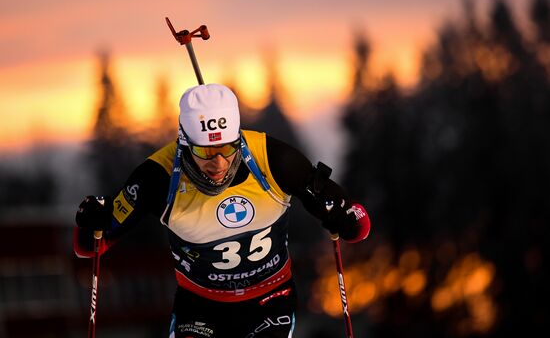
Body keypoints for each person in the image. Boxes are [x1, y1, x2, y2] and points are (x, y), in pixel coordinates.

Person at [74, 83, 371, 338]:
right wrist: (92, 224)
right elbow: (89, 245)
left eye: (228, 148)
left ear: (238, 138)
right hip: (200, 306)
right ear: (184, 142)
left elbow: (358, 222)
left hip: (270, 300)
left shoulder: (273, 159)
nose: (218, 164)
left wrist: (344, 218)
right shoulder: (158, 177)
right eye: (204, 152)